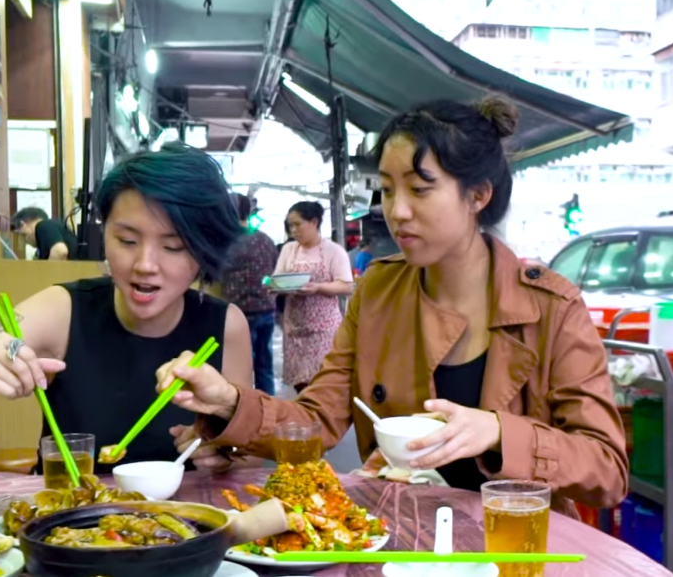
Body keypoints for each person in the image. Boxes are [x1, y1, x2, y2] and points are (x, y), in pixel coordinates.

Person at [156, 96, 629, 512]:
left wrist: (499, 432)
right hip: (403, 540)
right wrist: (229, 402)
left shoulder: (552, 306)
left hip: (515, 548)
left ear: (478, 195)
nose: (396, 210)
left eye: (420, 189)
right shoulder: (380, 292)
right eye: (387, 189)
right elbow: (317, 420)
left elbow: (607, 470)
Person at [0, 146, 255, 472]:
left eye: (172, 247)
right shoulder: (61, 310)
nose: (145, 264)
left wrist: (225, 451)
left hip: (189, 538)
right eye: (126, 239)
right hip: (68, 538)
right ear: (103, 233)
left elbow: (251, 457)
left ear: (204, 250)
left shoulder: (224, 326)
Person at [276, 201, 354, 392]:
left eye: (297, 224)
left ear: (314, 222)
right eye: (290, 226)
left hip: (323, 329)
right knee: (300, 384)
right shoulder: (289, 250)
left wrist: (318, 287)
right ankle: (306, 418)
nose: (293, 230)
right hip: (295, 327)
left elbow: (346, 286)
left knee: (322, 382)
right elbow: (278, 279)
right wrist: (281, 286)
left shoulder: (333, 251)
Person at [220, 193, 280, 395]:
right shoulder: (265, 240)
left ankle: (243, 415)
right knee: (265, 365)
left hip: (239, 313)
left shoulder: (225, 242)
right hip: (267, 310)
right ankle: (268, 410)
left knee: (239, 370)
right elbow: (273, 269)